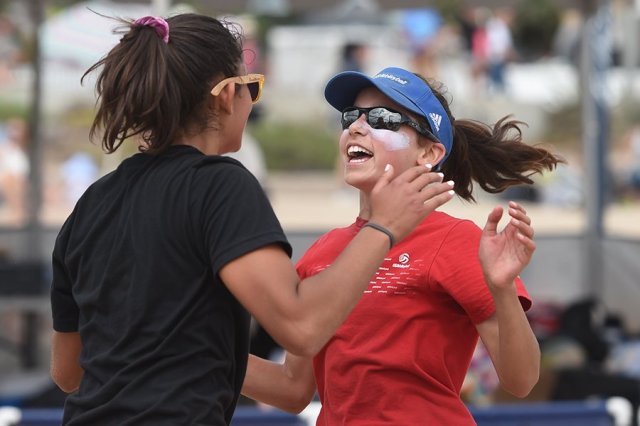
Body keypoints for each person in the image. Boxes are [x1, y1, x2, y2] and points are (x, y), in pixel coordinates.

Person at [48, 15, 455, 426]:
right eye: (252, 88)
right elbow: (301, 325)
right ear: (226, 95)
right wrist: (383, 227)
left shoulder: (91, 204)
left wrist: (174, 345)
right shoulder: (218, 185)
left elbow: (68, 371)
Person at [241, 66, 565, 425]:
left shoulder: (456, 240)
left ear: (429, 153)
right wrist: (194, 352)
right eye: (351, 116)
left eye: (382, 118)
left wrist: (502, 289)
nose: (356, 127)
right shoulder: (323, 252)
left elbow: (521, 381)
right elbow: (293, 389)